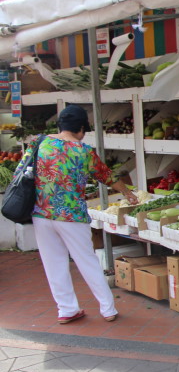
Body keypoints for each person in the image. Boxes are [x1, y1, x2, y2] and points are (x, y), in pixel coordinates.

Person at [22, 105, 138, 324]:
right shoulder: (83, 151)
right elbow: (106, 176)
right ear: (81, 127)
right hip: (72, 216)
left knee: (54, 263)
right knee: (87, 261)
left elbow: (23, 171)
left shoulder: (39, 142)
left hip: (42, 213)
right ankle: (108, 309)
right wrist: (127, 193)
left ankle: (66, 310)